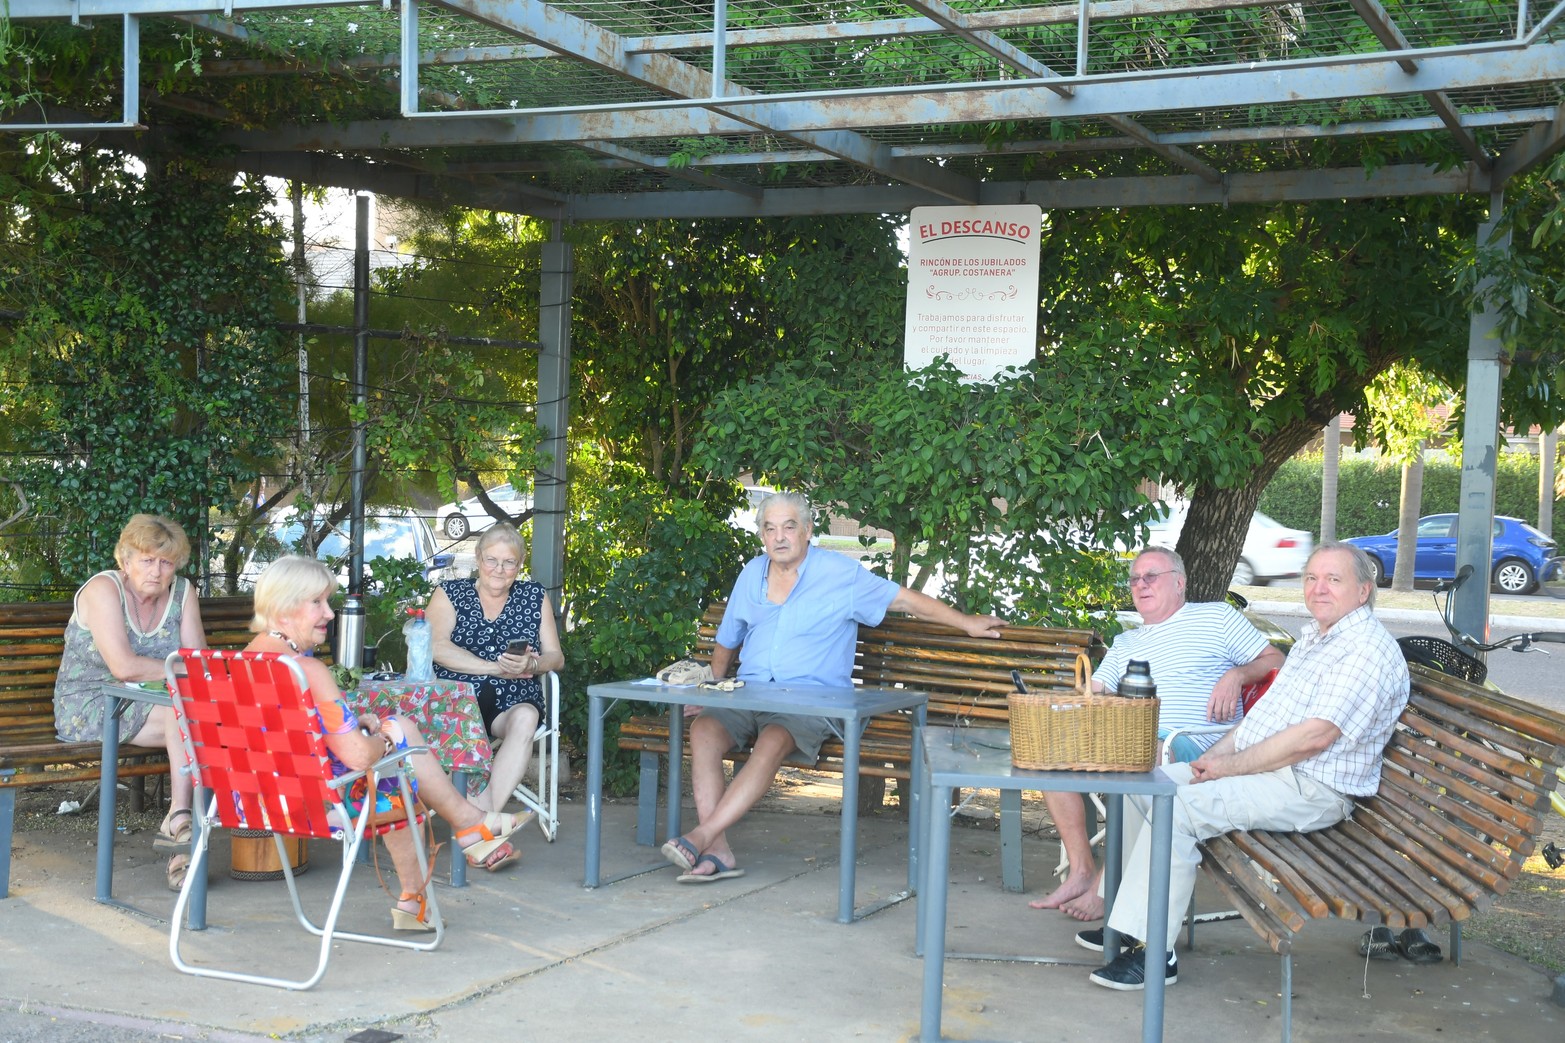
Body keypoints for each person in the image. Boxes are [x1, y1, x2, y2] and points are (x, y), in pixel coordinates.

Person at [1082, 542, 1409, 991]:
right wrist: (1213, 757)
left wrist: (1229, 768)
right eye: (1311, 578)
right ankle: (1128, 920)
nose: (1318, 589)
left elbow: (1311, 740)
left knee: (1179, 811)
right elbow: (1265, 718)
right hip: (1276, 773)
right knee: (1149, 785)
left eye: (1333, 579)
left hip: (1312, 788)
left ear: (1363, 590)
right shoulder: (1319, 637)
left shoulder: (1363, 650)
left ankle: (1155, 954)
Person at [661, 491, 1006, 882]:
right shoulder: (751, 575)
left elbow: (904, 601)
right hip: (748, 691)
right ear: (761, 535)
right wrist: (713, 687)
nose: (779, 537)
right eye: (770, 529)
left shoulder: (840, 575)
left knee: (774, 738)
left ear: (808, 531)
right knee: (704, 729)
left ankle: (702, 835)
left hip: (812, 701)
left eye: (789, 526)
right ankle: (718, 848)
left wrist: (966, 622)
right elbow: (727, 638)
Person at [247, 556, 531, 928]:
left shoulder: (239, 662)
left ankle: (468, 831)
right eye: (317, 602)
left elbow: (289, 739)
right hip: (309, 806)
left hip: (249, 801)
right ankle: (463, 837)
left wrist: (361, 727)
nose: (330, 614)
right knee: (397, 763)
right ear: (283, 609)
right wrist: (381, 739)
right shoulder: (308, 671)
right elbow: (358, 756)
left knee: (395, 743)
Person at [1031, 546, 1284, 921]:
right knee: (1051, 753)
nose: (1140, 584)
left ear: (1179, 583)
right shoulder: (1126, 643)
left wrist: (1236, 675)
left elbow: (1275, 660)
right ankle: (1082, 870)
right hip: (1135, 738)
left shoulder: (1215, 617)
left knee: (1140, 756)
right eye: (1134, 579)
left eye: (1151, 576)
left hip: (1200, 743)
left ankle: (1106, 887)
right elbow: (1090, 696)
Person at [54, 514, 208, 891]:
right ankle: (183, 838)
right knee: (189, 715)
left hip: (158, 703)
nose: (156, 571)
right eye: (146, 559)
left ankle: (179, 824)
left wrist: (183, 675)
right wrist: (179, 673)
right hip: (91, 702)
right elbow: (123, 666)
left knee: (198, 720)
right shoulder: (103, 590)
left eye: (166, 561)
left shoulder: (183, 593)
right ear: (124, 560)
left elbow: (199, 660)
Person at [427, 523, 563, 815]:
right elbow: (435, 646)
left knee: (527, 717)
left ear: (519, 564)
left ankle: (482, 823)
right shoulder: (450, 592)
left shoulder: (534, 596)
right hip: (458, 696)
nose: (499, 569)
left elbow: (556, 657)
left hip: (513, 696)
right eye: (492, 560)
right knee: (464, 714)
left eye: (509, 562)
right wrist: (492, 668)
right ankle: (484, 830)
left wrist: (533, 663)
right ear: (478, 558)